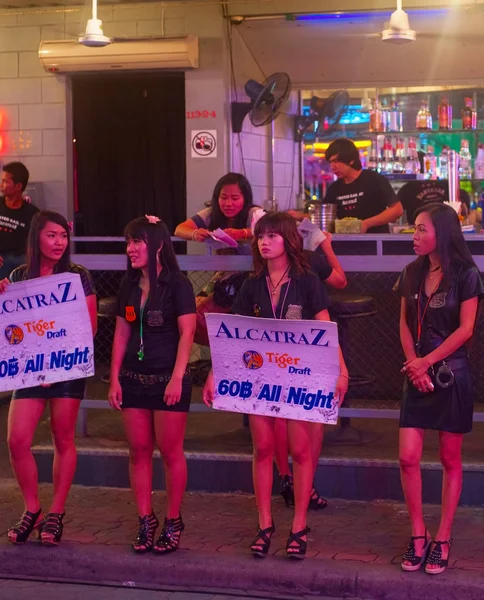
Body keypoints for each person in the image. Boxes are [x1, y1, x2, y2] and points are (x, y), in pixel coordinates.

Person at [203, 212, 349, 560]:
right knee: (264, 448)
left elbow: (325, 332)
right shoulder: (251, 284)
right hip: (258, 379)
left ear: (288, 240)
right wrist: (214, 372)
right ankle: (265, 523)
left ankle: (298, 525)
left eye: (272, 236)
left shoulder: (307, 281)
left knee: (300, 450)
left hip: (299, 377)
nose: (264, 242)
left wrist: (341, 371)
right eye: (260, 237)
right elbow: (233, 335)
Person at [395, 202, 483, 575]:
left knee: (450, 459)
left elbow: (466, 330)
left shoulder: (466, 274)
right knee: (408, 457)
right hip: (417, 373)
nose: (413, 236)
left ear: (441, 234)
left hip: (451, 374)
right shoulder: (412, 272)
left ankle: (443, 536)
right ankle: (419, 533)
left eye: (420, 229)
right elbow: (402, 323)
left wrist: (427, 362)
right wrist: (415, 364)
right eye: (413, 229)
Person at [5, 210, 97, 546]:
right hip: (29, 368)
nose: (59, 242)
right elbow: (9, 330)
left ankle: (56, 513)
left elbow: (90, 328)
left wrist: (54, 364)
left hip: (66, 367)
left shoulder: (77, 275)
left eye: (63, 236)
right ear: (36, 237)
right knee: (16, 440)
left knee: (63, 439)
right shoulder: (18, 276)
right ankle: (33, 509)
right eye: (51, 235)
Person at [108, 215, 196, 555]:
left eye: (137, 241)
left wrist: (177, 377)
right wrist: (114, 377)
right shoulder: (128, 285)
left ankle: (173, 520)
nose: (130, 249)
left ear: (158, 245)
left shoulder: (178, 284)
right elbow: (121, 333)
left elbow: (188, 332)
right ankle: (146, 520)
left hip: (167, 380)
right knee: (138, 451)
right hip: (132, 379)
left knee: (171, 453)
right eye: (128, 242)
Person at [275, 230, 347, 511]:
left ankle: (287, 478)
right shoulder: (311, 260)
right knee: (311, 417)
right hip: (311, 349)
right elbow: (341, 281)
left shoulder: (263, 271)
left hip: (276, 352)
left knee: (279, 414)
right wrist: (326, 246)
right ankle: (305, 483)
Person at [175, 172, 260, 346]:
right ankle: (224, 350)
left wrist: (242, 233)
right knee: (193, 316)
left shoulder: (254, 213)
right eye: (224, 197)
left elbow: (272, 228)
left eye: (235, 198)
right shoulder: (211, 213)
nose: (228, 203)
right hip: (224, 278)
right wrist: (194, 233)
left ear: (246, 198)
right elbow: (179, 229)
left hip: (254, 278)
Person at [324, 138, 403, 233]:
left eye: (336, 161)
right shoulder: (334, 188)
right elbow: (323, 215)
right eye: (330, 162)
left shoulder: (373, 179)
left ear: (351, 160)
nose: (332, 167)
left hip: (376, 243)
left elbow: (397, 210)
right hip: (345, 244)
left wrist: (366, 224)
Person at [0, 162, 39, 279]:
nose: (1, 184)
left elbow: (35, 242)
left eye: (5, 181)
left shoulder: (32, 213)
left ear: (18, 186)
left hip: (20, 261)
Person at [397, 180, 471, 225]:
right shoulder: (448, 183)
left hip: (419, 230)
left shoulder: (407, 188)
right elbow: (465, 211)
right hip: (446, 230)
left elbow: (396, 216)